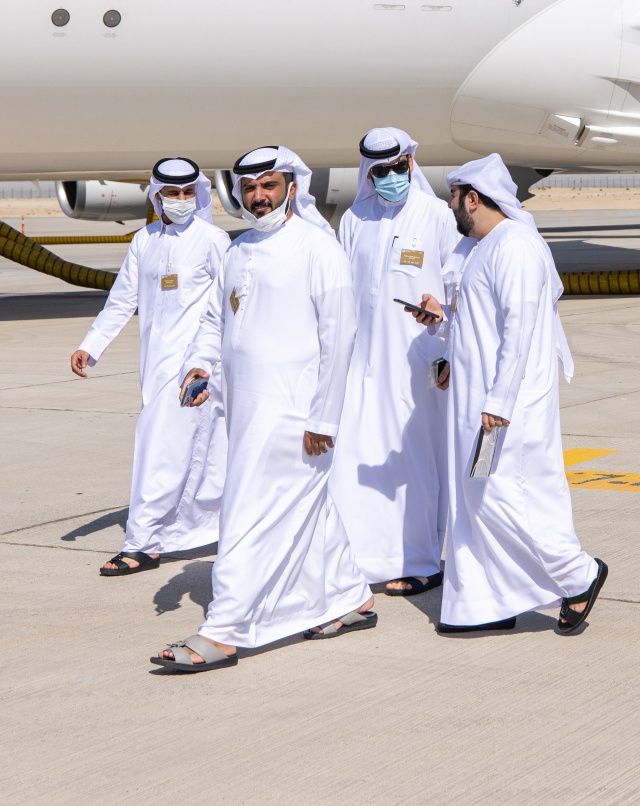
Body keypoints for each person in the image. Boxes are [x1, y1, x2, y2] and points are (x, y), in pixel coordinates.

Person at [155, 146, 372, 673]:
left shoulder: (318, 249)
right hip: (247, 411)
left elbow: (340, 337)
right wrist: (199, 365)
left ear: (292, 187)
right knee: (308, 509)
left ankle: (225, 630)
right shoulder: (238, 250)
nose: (258, 197)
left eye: (269, 186)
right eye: (249, 188)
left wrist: (324, 418)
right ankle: (351, 595)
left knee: (248, 515)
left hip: (296, 415)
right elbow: (215, 319)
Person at [416, 154, 606, 637]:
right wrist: (444, 328)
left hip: (506, 409)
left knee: (505, 501)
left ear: (473, 199)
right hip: (477, 403)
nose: (451, 207)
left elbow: (518, 331)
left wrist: (498, 402)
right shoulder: (484, 247)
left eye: (454, 198)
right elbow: (481, 322)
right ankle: (488, 602)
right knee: (475, 500)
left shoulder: (515, 247)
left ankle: (578, 575)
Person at [71, 158, 231, 577]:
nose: (180, 201)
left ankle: (142, 543)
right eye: (171, 194)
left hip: (194, 368)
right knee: (189, 456)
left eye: (186, 193)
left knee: (158, 451)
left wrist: (213, 362)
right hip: (154, 366)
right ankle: (189, 532)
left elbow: (230, 304)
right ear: (156, 196)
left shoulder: (214, 240)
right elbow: (123, 299)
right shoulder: (144, 240)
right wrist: (92, 346)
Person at [331, 127, 460, 596]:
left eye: (396, 168)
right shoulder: (355, 218)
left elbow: (455, 293)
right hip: (361, 364)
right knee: (357, 458)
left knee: (416, 465)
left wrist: (446, 345)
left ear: (410, 163)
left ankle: (422, 559)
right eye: (378, 171)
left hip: (417, 365)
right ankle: (363, 559)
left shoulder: (437, 217)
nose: (389, 177)